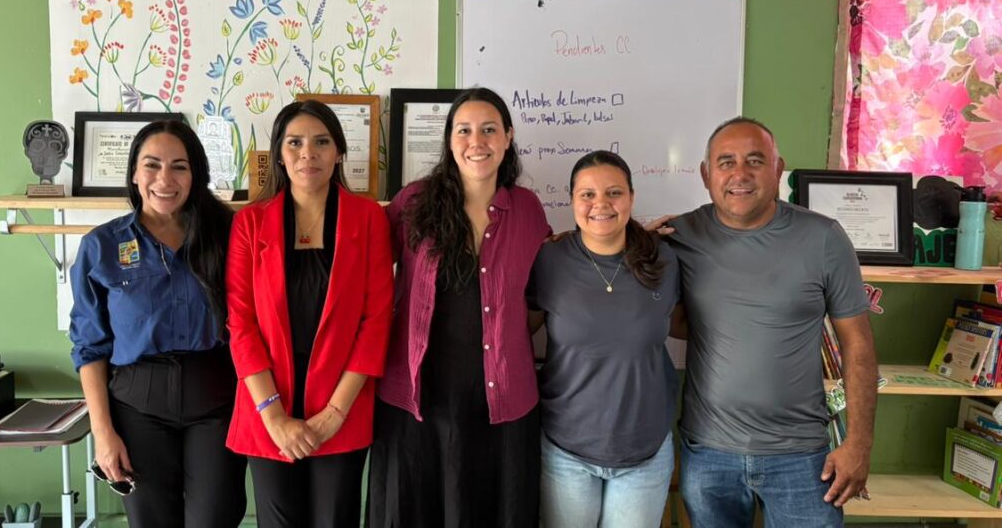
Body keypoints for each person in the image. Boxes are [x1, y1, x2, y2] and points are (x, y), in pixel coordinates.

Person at [667, 117, 877, 527]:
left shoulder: (824, 239)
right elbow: (659, 312)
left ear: (778, 169)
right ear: (706, 175)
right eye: (725, 162)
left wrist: (859, 443)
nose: (739, 174)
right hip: (708, 454)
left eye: (755, 160)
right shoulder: (680, 235)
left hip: (802, 458)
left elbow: (858, 345)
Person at [366, 87, 551, 527]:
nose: (477, 141)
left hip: (501, 402)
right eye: (464, 130)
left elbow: (546, 284)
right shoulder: (413, 203)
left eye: (489, 129)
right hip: (418, 400)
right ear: (450, 140)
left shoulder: (527, 209)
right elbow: (364, 267)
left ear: (507, 137)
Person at [68, 120, 246, 527]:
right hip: (137, 404)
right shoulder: (102, 246)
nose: (165, 179)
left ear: (195, 174)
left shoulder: (228, 235)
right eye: (152, 165)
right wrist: (103, 434)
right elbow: (89, 346)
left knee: (215, 518)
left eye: (179, 167)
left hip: (216, 399)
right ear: (134, 173)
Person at [225, 100, 392, 527]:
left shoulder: (369, 219)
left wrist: (334, 414)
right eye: (295, 142)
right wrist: (275, 417)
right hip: (268, 405)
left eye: (321, 142)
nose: (308, 153)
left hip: (342, 404)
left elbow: (376, 320)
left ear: (338, 152)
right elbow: (240, 323)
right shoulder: (250, 223)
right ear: (279, 152)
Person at [528, 150, 681, 527]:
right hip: (566, 450)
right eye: (587, 195)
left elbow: (685, 323)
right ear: (572, 201)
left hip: (644, 451)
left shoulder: (664, 260)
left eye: (614, 193)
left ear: (631, 197)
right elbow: (517, 332)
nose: (601, 204)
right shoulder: (549, 260)